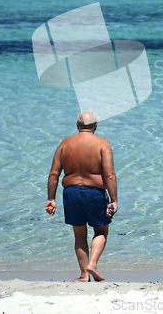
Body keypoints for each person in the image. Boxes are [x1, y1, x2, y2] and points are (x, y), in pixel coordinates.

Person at [45, 110, 117, 282]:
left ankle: (84, 275)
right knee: (101, 231)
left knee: (79, 235)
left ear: (77, 125)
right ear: (96, 125)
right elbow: (109, 175)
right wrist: (114, 200)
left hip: (71, 193)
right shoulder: (102, 144)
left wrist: (51, 198)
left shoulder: (65, 144)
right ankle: (92, 264)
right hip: (94, 193)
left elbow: (54, 174)